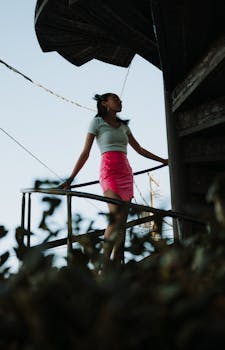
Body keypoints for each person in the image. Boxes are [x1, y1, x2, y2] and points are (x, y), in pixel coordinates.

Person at [59, 93, 168, 268]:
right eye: (115, 99)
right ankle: (102, 266)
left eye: (120, 99)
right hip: (109, 172)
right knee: (116, 217)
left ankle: (117, 265)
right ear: (104, 103)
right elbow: (85, 152)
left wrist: (163, 160)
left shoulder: (124, 126)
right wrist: (71, 178)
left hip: (126, 173)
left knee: (122, 224)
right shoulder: (97, 123)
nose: (120, 101)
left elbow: (139, 149)